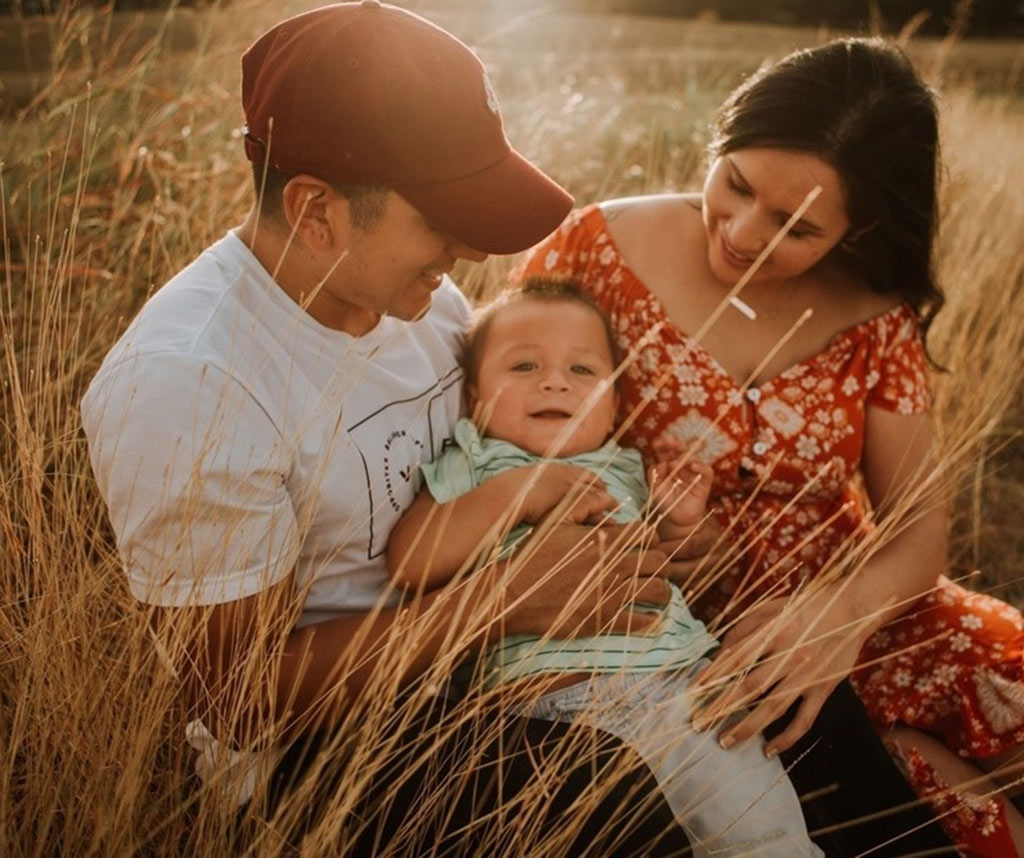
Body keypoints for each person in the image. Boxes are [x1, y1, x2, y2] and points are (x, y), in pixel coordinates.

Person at [79, 3, 694, 854]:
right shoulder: (188, 385)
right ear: (315, 210)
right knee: (626, 809)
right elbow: (236, 701)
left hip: (507, 656)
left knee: (792, 731)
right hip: (332, 751)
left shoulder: (418, 296)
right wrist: (499, 603)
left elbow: (495, 451)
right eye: (441, 220)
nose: (469, 257)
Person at [517, 37, 1024, 857]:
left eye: (795, 226)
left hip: (838, 598)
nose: (743, 233)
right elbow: (503, 414)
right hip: (661, 609)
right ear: (721, 140)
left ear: (863, 225)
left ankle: (874, 757)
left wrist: (837, 617)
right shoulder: (594, 248)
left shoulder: (873, 312)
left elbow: (919, 530)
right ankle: (882, 766)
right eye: (735, 183)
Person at [388, 277, 822, 858]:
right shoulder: (474, 464)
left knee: (763, 838)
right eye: (522, 366)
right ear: (473, 398)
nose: (554, 380)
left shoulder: (624, 467)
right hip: (549, 713)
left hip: (681, 693)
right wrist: (517, 492)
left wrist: (680, 518)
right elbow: (411, 560)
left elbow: (670, 569)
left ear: (615, 403)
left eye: (583, 371)